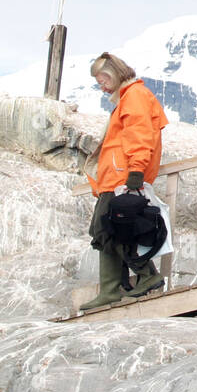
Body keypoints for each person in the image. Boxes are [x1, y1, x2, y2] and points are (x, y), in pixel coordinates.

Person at [80, 52, 170, 311]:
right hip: (112, 178)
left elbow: (140, 136)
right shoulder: (126, 98)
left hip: (122, 176)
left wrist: (135, 174)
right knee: (103, 232)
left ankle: (148, 276)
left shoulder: (135, 97)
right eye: (98, 80)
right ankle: (110, 289)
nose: (101, 84)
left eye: (103, 78)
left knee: (114, 230)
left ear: (116, 74)